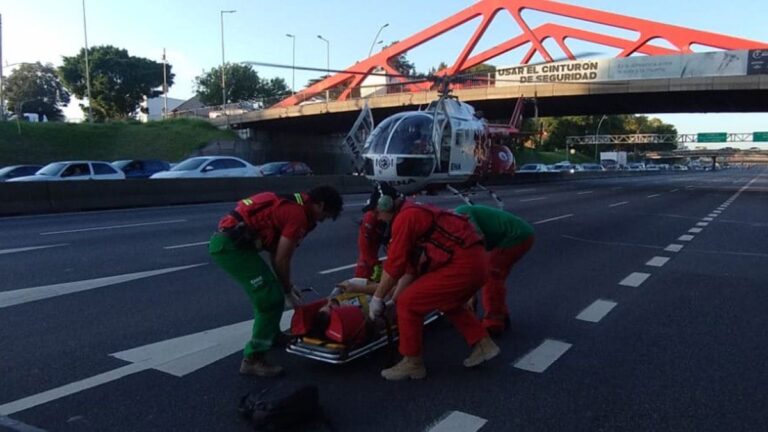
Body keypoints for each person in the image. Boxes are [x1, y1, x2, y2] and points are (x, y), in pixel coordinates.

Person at [209, 185, 343, 377]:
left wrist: (285, 285)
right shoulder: (297, 215)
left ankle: (271, 335)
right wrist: (287, 289)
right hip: (230, 247)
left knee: (272, 291)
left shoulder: (294, 202)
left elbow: (275, 252)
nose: (322, 220)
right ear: (320, 205)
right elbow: (282, 258)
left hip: (232, 242)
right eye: (326, 215)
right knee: (270, 299)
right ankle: (253, 359)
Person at [368, 190, 500, 381]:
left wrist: (378, 298)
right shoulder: (414, 212)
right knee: (449, 303)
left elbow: (395, 265)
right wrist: (392, 300)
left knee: (408, 303)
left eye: (376, 212)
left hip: (463, 264)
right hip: (476, 260)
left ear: (386, 204)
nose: (377, 218)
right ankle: (484, 344)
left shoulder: (405, 218)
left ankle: (412, 362)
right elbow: (411, 271)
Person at [454, 205, 535, 335]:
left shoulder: (460, 215)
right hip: (518, 235)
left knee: (491, 276)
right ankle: (501, 313)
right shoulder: (457, 217)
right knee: (496, 276)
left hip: (515, 237)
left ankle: (494, 323)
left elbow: (478, 239)